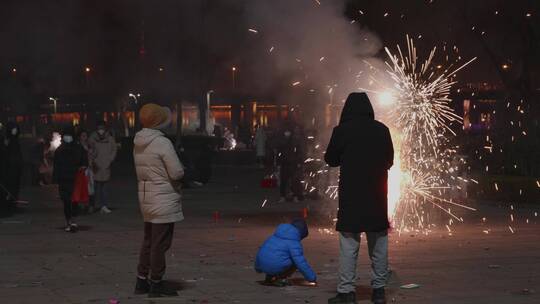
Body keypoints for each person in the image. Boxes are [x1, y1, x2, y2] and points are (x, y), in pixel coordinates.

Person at [325, 93, 394, 304]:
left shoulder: (342, 131)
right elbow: (389, 160)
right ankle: (379, 291)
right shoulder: (382, 130)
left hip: (351, 198)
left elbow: (331, 159)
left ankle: (347, 292)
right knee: (379, 246)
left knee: (348, 246)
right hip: (376, 196)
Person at [133, 103, 184, 298]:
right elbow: (176, 172)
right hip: (163, 197)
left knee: (148, 240)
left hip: (147, 197)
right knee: (160, 243)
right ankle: (156, 283)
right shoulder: (162, 142)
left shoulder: (139, 141)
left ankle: (141, 280)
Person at [255, 219, 316, 286]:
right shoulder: (293, 243)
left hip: (263, 266)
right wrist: (312, 278)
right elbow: (301, 262)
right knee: (295, 261)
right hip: (275, 266)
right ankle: (281, 279)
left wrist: (258, 267)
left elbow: (262, 251)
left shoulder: (273, 236)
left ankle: (269, 277)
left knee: (275, 256)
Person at [53, 126, 88, 232]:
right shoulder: (59, 150)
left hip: (75, 178)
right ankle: (69, 221)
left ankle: (73, 221)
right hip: (64, 179)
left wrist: (83, 166)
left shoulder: (78, 148)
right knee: (66, 201)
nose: (68, 137)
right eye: (66, 135)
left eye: (69, 135)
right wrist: (56, 179)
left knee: (74, 201)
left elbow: (84, 160)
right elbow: (56, 165)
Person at [89, 121, 117, 214]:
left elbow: (114, 150)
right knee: (94, 188)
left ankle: (103, 206)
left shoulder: (110, 139)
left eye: (102, 128)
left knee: (104, 188)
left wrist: (110, 159)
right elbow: (90, 151)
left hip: (105, 166)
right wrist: (92, 160)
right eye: (99, 128)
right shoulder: (92, 139)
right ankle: (92, 205)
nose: (101, 130)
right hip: (96, 166)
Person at [0, 122, 23, 213]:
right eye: (13, 129)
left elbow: (18, 155)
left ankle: (12, 205)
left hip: (15, 169)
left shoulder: (15, 141)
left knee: (14, 188)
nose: (15, 131)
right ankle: (9, 205)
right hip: (8, 170)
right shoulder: (7, 141)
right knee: (9, 189)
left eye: (16, 129)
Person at [277, 127, 303, 202]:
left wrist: (299, 162)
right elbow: (279, 153)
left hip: (293, 164)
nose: (287, 134)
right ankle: (283, 196)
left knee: (294, 181)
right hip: (284, 164)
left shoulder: (294, 141)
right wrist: (279, 162)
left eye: (288, 132)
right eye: (286, 132)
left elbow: (298, 152)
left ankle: (295, 196)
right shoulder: (282, 141)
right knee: (283, 181)